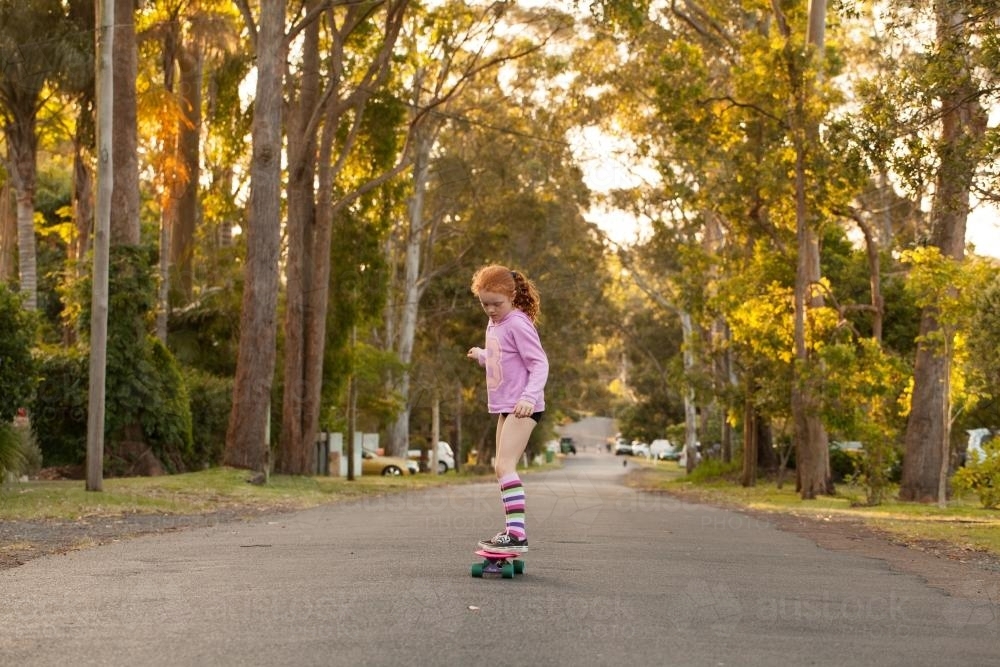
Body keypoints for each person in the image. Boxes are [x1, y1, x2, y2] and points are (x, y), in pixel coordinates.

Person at [467, 265, 549, 552]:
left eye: (496, 304)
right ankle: (511, 530)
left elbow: (539, 363)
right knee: (499, 467)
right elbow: (503, 356)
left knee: (505, 465)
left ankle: (517, 534)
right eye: (484, 304)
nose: (490, 310)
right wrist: (482, 355)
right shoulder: (496, 323)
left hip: (523, 405)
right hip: (507, 405)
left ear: (512, 296)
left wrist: (528, 397)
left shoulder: (517, 322)